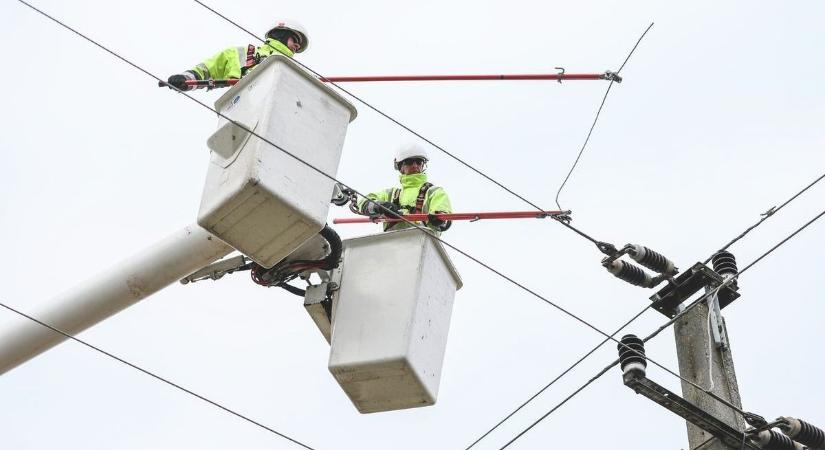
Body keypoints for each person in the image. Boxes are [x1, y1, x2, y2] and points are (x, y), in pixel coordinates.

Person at [162, 20, 308, 91]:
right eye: (295, 40)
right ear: (282, 35)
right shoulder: (242, 54)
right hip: (242, 105)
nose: (297, 46)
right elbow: (209, 69)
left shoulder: (295, 70)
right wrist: (186, 80)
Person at [358, 144, 453, 235]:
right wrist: (379, 206)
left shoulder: (434, 192)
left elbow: (444, 215)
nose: (415, 165)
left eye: (419, 162)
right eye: (409, 162)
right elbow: (363, 202)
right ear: (400, 167)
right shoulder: (390, 194)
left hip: (422, 242)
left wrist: (440, 218)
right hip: (391, 243)